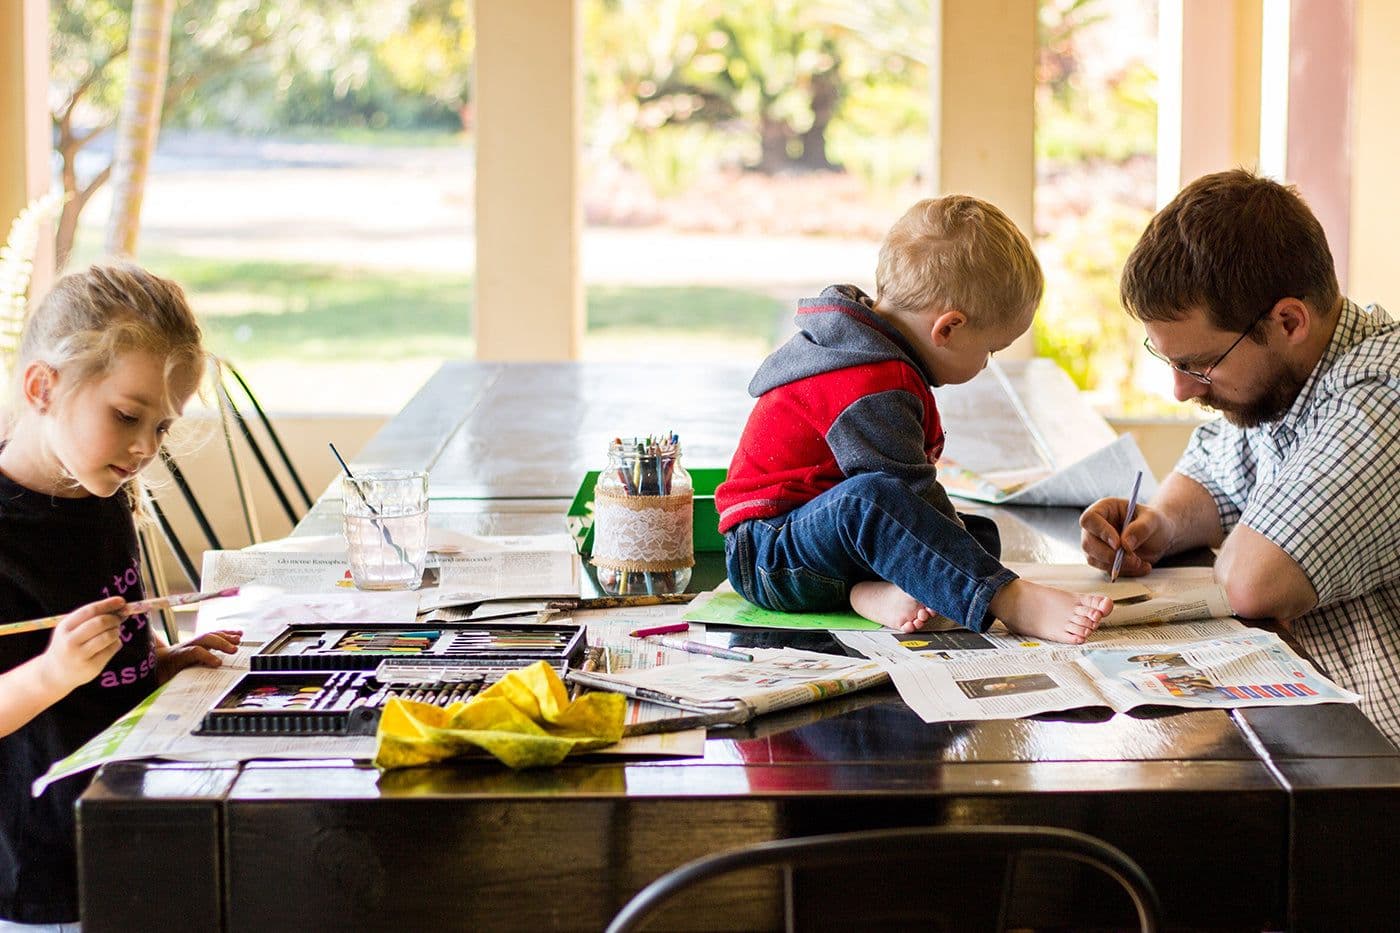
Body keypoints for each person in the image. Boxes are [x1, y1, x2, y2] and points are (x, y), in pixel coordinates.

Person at [1079, 169, 1400, 745]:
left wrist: (1229, 546)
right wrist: (1157, 524)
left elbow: (1255, 582)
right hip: (1325, 737)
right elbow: (1213, 473)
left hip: (1376, 757)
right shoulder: (1287, 380)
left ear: (1289, 321)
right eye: (1171, 362)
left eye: (1200, 365)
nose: (1182, 390)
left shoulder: (1383, 396)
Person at [716, 195, 1112, 643]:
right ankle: (1011, 602)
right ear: (948, 328)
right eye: (991, 350)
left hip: (816, 543)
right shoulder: (869, 379)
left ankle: (865, 593)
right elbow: (904, 496)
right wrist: (996, 587)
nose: (987, 363)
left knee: (977, 538)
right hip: (768, 555)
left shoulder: (871, 347)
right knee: (880, 504)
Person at [0, 263, 242, 928]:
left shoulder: (99, 485)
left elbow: (109, 608)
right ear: (42, 387)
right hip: (46, 870)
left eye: (162, 428)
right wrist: (55, 671)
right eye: (128, 416)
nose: (144, 449)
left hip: (132, 826)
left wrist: (152, 658)